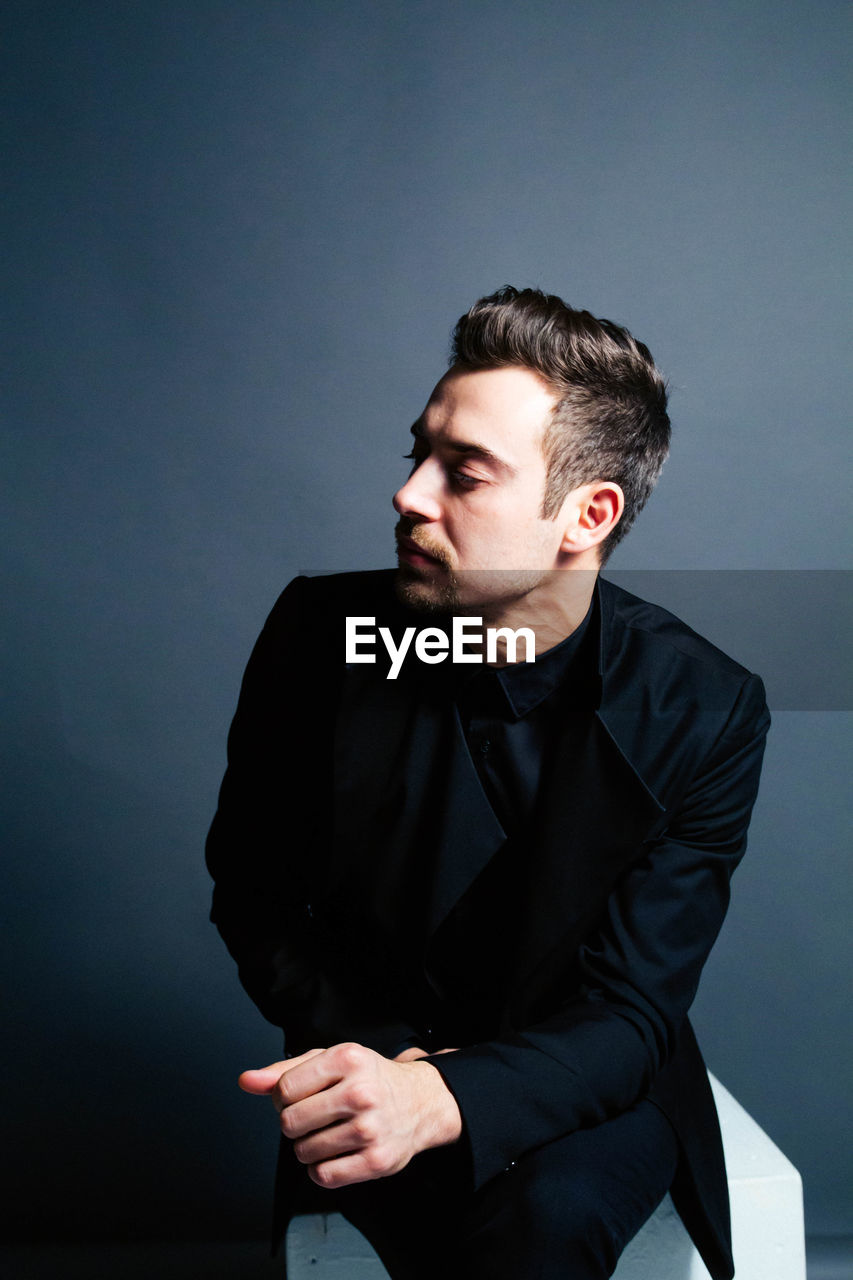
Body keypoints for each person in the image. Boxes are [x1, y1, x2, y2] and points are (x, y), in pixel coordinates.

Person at [206, 287, 770, 1280]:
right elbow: (253, 895)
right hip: (367, 1055)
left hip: (588, 1083)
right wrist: (388, 1069)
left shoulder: (706, 705)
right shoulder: (315, 634)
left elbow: (634, 1009)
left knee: (544, 1221)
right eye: (417, 453)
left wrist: (457, 1093)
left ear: (584, 516)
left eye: (462, 473)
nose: (409, 495)